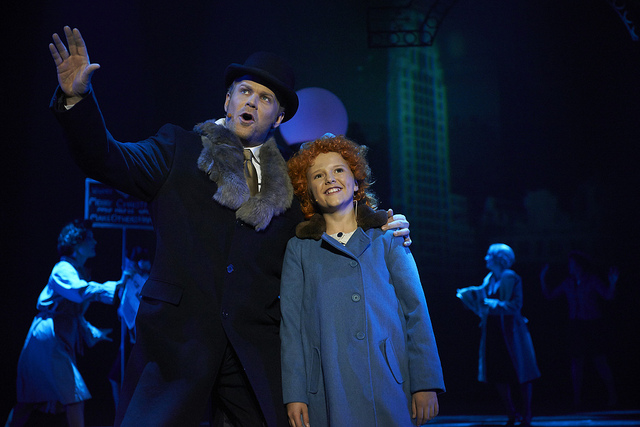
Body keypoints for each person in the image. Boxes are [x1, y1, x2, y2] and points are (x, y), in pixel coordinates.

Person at [48, 26, 411, 426]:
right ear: (228, 99)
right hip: (176, 341)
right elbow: (107, 158)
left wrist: (384, 226)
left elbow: (335, 226)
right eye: (244, 91)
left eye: (265, 98)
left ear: (279, 117)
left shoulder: (292, 182)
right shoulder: (178, 148)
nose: (252, 101)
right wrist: (77, 101)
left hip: (253, 352)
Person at [280, 135, 445, 427]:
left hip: (388, 383)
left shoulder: (388, 237)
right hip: (327, 389)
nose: (330, 179)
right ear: (309, 192)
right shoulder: (300, 249)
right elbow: (291, 328)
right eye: (318, 175)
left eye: (338, 170)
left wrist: (425, 382)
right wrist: (295, 394)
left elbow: (416, 311)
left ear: (356, 182)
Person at [5, 219, 126, 427]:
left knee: (30, 400)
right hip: (48, 340)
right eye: (89, 238)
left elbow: (74, 314)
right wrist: (114, 288)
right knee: (73, 394)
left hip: (55, 338)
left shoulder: (78, 270)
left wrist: (94, 333)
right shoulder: (63, 268)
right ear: (76, 244)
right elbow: (80, 292)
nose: (95, 242)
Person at [456, 244, 540, 427]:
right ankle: (511, 412)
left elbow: (515, 305)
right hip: (494, 332)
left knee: (522, 372)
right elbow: (482, 299)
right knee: (498, 373)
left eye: (489, 255)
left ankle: (527, 413)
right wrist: (469, 296)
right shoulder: (489, 279)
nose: (486, 258)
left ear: (499, 258)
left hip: (512, 332)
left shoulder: (511, 277)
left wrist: (493, 304)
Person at [540, 250, 618, 410]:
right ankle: (577, 399)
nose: (569, 267)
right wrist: (542, 279)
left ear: (580, 266)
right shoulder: (568, 282)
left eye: (572, 264)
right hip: (575, 325)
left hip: (592, 324)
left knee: (600, 360)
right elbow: (550, 296)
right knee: (576, 362)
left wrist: (613, 283)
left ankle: (612, 395)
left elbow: (608, 296)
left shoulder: (592, 280)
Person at [108, 246, 152, 407]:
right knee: (115, 377)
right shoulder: (130, 280)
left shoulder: (149, 280)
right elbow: (122, 306)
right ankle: (121, 415)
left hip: (144, 341)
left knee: (140, 382)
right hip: (129, 341)